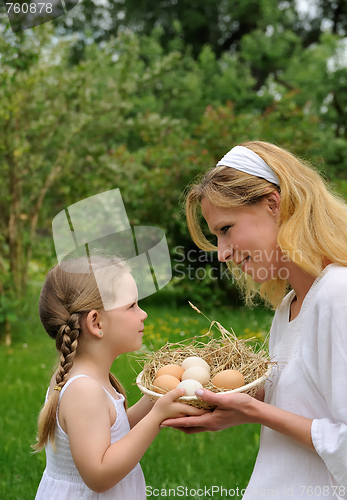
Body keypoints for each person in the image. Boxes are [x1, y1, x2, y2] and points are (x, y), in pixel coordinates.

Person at [162, 141, 347, 498]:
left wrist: (257, 411)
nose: (223, 253)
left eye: (226, 229)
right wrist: (240, 406)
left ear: (273, 204)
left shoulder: (337, 295)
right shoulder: (291, 306)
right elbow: (307, 405)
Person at [33, 254, 204, 499]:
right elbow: (99, 476)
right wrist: (156, 418)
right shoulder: (84, 391)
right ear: (96, 323)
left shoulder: (85, 377)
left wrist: (154, 400)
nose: (143, 314)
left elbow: (114, 432)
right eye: (132, 306)